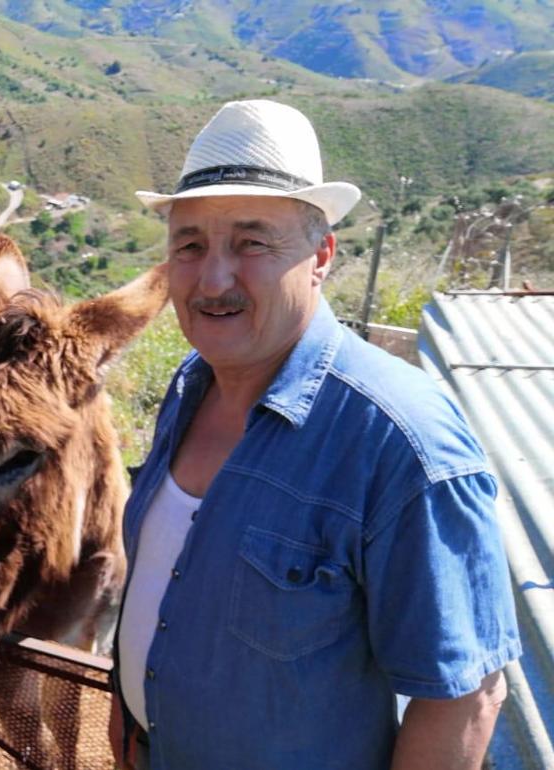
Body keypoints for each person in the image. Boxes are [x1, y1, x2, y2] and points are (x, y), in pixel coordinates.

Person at [109, 100, 520, 770]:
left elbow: (466, 696)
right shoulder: (191, 386)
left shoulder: (401, 441)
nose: (213, 280)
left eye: (252, 243)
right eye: (190, 245)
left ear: (320, 254)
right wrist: (130, 717)